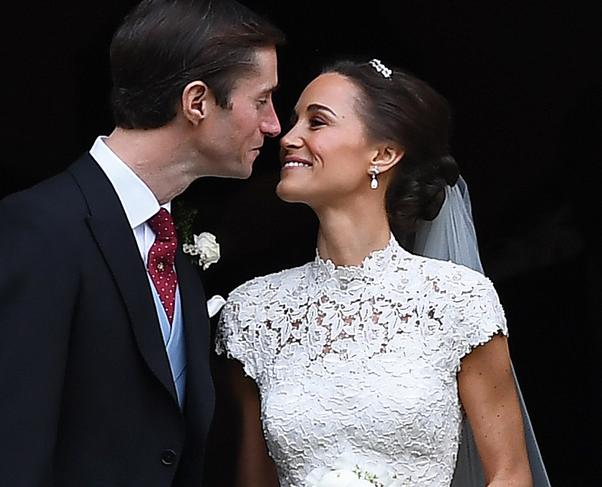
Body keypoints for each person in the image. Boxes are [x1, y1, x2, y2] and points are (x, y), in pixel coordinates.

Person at [0, 0, 283, 486]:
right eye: (262, 100)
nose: (274, 124)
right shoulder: (38, 230)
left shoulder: (173, 242)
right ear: (197, 103)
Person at [215, 59, 545, 486]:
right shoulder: (252, 313)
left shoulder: (459, 301)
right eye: (295, 120)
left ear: (384, 153)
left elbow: (509, 473)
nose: (289, 136)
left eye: (316, 122)